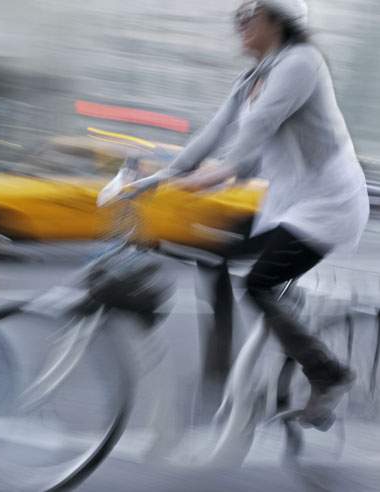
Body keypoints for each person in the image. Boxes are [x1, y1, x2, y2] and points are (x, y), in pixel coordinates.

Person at [159, 0, 370, 429]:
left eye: (247, 14)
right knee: (213, 256)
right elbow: (215, 132)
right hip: (289, 205)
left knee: (259, 284)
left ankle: (328, 374)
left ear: (278, 18)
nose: (238, 23)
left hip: (328, 204)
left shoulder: (301, 63)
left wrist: (209, 177)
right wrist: (160, 176)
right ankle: (218, 372)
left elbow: (254, 134)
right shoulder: (251, 77)